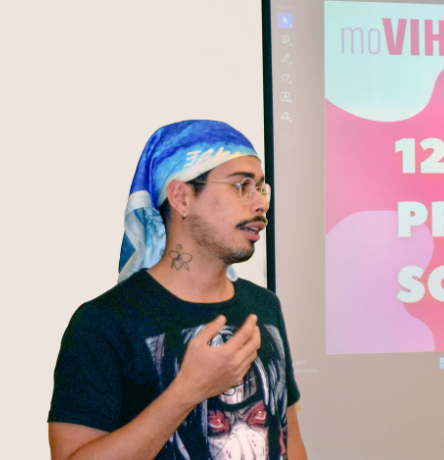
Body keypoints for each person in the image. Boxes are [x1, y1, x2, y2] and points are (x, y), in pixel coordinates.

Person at [48, 120, 307, 460]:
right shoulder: (103, 323)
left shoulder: (264, 306)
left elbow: (289, 441)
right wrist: (187, 391)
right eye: (241, 185)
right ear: (181, 197)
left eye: (261, 188)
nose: (260, 204)